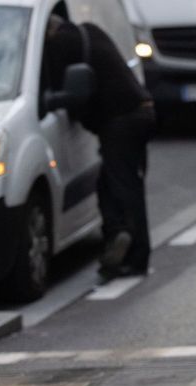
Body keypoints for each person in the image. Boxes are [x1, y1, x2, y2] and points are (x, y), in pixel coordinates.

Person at [46, 16, 155, 280]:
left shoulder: (59, 45)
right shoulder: (90, 30)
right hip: (144, 110)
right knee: (112, 185)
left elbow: (64, 91)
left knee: (124, 187)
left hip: (120, 123)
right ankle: (118, 238)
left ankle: (133, 254)